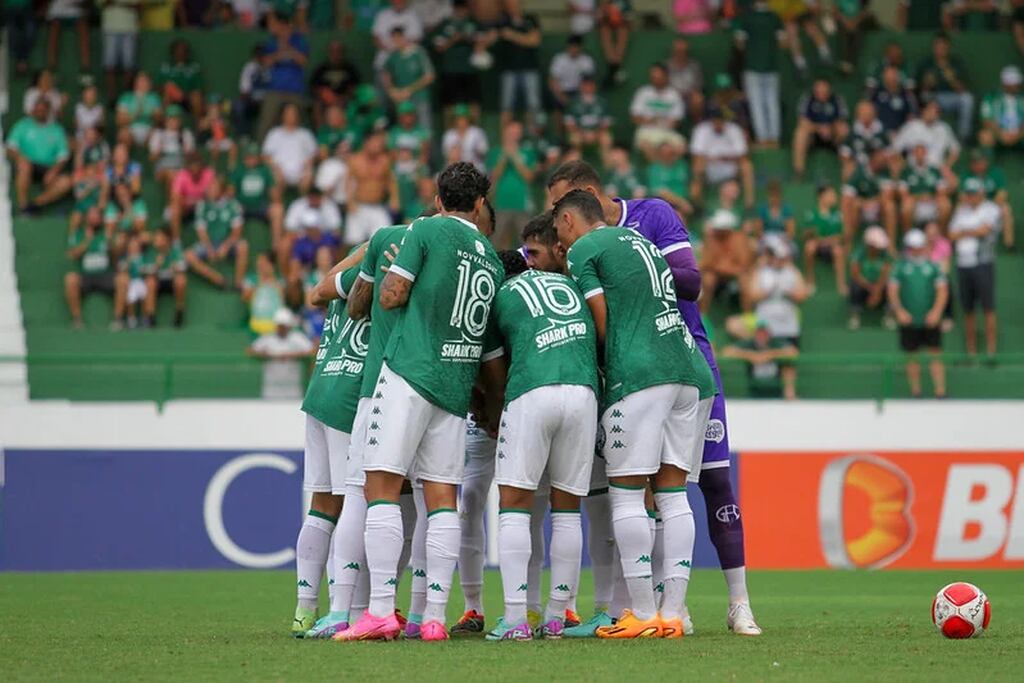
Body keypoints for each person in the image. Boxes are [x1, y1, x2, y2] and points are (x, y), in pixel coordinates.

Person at [546, 162, 762, 637]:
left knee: (660, 489)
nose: (553, 221)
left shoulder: (642, 221)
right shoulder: (635, 241)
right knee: (669, 492)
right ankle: (674, 611)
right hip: (687, 368)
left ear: (578, 202)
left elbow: (691, 280)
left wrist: (624, 273)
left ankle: (667, 611)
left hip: (646, 365)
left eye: (558, 208)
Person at [337, 162, 501, 642]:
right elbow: (490, 353)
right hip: (455, 387)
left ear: (437, 199)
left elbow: (390, 295)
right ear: (477, 205)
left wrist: (396, 286)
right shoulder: (489, 255)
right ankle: (433, 617)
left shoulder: (425, 231)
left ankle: (382, 609)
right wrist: (491, 407)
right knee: (442, 498)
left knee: (381, 485)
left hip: (409, 371)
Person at [479, 243, 599, 641]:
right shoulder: (567, 284)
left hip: (533, 389)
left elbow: (495, 370)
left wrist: (494, 414)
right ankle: (556, 616)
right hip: (583, 393)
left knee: (514, 503)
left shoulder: (500, 295)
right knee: (567, 507)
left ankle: (515, 618)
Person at [291, 249, 371, 638]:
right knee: (352, 502)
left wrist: (366, 247)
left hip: (320, 390)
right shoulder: (386, 276)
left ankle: (305, 609)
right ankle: (345, 610)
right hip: (349, 398)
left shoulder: (343, 280)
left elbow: (316, 291)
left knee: (322, 506)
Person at [888, 229, 948, 398]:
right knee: (912, 356)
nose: (916, 250)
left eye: (919, 246)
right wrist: (899, 311)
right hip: (909, 320)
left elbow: (942, 291)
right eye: (913, 247)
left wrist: (936, 312)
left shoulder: (934, 267)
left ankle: (940, 391)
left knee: (936, 354)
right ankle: (915, 392)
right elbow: (892, 291)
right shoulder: (900, 267)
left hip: (930, 320)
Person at [949, 178, 1000, 359]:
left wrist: (964, 231)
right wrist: (970, 230)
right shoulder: (961, 211)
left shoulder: (991, 209)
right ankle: (971, 352)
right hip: (963, 264)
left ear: (981, 193)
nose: (969, 197)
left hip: (983, 263)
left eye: (973, 193)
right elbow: (952, 235)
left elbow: (984, 231)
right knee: (968, 310)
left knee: (988, 308)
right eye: (967, 193)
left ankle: (991, 351)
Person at [64, 207, 127, 330]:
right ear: (87, 218)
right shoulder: (78, 234)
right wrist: (87, 240)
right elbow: (73, 254)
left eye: (97, 215)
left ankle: (118, 320)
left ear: (101, 219)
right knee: (70, 279)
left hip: (105, 275)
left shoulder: (107, 234)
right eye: (91, 215)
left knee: (123, 279)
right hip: (86, 275)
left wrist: (111, 244)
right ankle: (77, 320)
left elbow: (116, 255)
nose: (94, 218)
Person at [6, 99, 72, 214]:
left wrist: (54, 170)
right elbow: (10, 147)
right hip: (27, 164)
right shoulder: (23, 125)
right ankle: (23, 204)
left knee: (66, 182)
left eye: (43, 110)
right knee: (24, 165)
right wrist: (20, 158)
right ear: (33, 110)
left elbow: (63, 155)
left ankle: (35, 204)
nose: (40, 112)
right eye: (38, 110)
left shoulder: (57, 129)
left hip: (48, 167)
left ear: (48, 112)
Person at [184, 176, 249, 289]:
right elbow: (201, 231)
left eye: (213, 188)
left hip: (228, 242)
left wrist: (225, 246)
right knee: (188, 256)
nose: (209, 191)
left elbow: (236, 232)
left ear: (222, 190)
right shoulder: (202, 205)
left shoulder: (233, 205)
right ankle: (219, 280)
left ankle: (239, 283)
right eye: (209, 188)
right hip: (209, 243)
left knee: (243, 246)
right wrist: (209, 248)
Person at [734, 0, 785, 147]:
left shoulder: (747, 18)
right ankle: (774, 138)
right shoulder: (775, 17)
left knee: (757, 103)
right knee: (772, 102)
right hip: (771, 65)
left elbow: (740, 43)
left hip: (753, 66)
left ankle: (763, 138)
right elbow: (782, 42)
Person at [257, 11, 311, 141]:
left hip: (295, 89)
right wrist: (280, 53)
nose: (270, 27)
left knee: (302, 122)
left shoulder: (298, 39)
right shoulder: (271, 42)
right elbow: (265, 63)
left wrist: (289, 50)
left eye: (273, 23)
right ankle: (261, 152)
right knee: (266, 123)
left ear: (282, 24)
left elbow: (303, 61)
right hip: (275, 89)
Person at [690, 106, 755, 209]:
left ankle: (749, 204)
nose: (718, 124)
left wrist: (723, 158)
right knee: (698, 165)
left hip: (731, 169)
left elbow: (742, 156)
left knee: (747, 166)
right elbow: (697, 156)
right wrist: (716, 159)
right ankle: (698, 204)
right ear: (711, 121)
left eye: (721, 121)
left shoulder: (734, 129)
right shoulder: (701, 130)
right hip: (709, 169)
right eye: (716, 121)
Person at [489, 121, 538, 249]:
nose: (514, 136)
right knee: (496, 242)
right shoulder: (496, 152)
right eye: (511, 133)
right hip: (501, 203)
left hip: (522, 204)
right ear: (504, 133)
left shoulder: (528, 152)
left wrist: (515, 157)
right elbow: (493, 176)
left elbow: (528, 177)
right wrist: (504, 156)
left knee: (526, 243)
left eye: (517, 133)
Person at [721, 320, 799, 399]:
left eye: (764, 333)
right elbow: (727, 351)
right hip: (754, 390)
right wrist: (751, 356)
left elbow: (793, 351)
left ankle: (790, 396)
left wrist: (769, 355)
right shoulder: (750, 343)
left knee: (788, 369)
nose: (761, 336)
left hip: (775, 390)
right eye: (759, 333)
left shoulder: (775, 343)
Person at [916, 33, 974, 140]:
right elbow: (919, 91)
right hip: (933, 97)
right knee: (924, 95)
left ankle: (963, 137)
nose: (941, 50)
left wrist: (951, 79)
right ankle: (922, 136)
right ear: (934, 47)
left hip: (952, 98)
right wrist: (927, 84)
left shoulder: (956, 62)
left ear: (948, 47)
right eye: (938, 46)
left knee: (967, 99)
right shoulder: (927, 63)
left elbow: (963, 90)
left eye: (943, 47)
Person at [248, 308, 315, 400]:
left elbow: (312, 350)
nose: (281, 328)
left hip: (293, 388)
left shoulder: (297, 338)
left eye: (284, 326)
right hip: (271, 388)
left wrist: (291, 355)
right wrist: (268, 355)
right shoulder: (268, 338)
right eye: (280, 326)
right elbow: (251, 350)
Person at [433, 0, 483, 119]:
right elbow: (439, 48)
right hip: (451, 70)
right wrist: (454, 39)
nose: (461, 11)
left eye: (463, 8)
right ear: (454, 9)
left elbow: (482, 41)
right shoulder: (446, 24)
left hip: (470, 70)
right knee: (449, 104)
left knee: (473, 103)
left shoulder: (473, 23)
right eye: (458, 8)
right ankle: (450, 135)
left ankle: (475, 133)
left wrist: (469, 39)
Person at [231, 142, 285, 250]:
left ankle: (276, 246)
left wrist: (277, 176)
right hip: (242, 206)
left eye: (255, 157)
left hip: (260, 206)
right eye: (250, 157)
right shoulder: (238, 170)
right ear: (245, 157)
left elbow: (274, 195)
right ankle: (232, 244)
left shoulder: (265, 170)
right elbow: (230, 192)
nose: (252, 160)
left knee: (278, 209)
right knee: (232, 208)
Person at [497, 0, 542, 128]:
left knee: (533, 105)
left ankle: (533, 137)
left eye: (515, 2)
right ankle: (506, 140)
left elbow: (535, 41)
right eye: (509, 3)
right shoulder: (503, 21)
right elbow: (495, 36)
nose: (513, 5)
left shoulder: (531, 19)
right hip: (508, 70)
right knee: (506, 106)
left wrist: (512, 35)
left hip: (530, 69)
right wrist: (524, 38)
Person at [792, 79, 849, 179]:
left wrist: (830, 129)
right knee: (800, 133)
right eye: (818, 91)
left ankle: (847, 172)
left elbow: (841, 120)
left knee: (844, 129)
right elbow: (802, 121)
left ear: (829, 90)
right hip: (813, 137)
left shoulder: (837, 99)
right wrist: (819, 128)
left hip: (832, 136)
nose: (821, 94)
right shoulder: (808, 99)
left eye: (824, 91)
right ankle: (799, 172)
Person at [381, 27, 435, 131]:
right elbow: (385, 74)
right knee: (404, 131)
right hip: (402, 101)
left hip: (419, 98)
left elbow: (430, 76)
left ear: (405, 37)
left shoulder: (418, 52)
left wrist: (409, 90)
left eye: (399, 38)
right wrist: (391, 90)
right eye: (394, 39)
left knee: (424, 130)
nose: (396, 41)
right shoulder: (393, 56)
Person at [345, 131, 395, 245]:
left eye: (380, 144)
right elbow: (348, 183)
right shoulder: (355, 160)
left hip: (378, 206)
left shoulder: (385, 160)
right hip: (359, 206)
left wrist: (394, 199)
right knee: (353, 242)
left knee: (385, 239)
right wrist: (350, 202)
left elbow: (391, 181)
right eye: (375, 143)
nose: (378, 146)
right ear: (366, 143)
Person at [841, 148, 897, 246]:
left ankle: (890, 244)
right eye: (879, 155)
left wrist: (873, 201)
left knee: (890, 206)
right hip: (862, 208)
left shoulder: (885, 171)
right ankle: (851, 242)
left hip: (878, 207)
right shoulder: (859, 172)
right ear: (873, 157)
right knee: (853, 205)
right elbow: (847, 196)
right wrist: (863, 202)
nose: (883, 158)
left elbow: (888, 194)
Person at [629, 63, 686, 159]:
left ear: (666, 77)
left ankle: (667, 171)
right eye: (653, 77)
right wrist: (651, 121)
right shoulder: (643, 92)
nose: (655, 79)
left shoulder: (674, 94)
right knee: (646, 145)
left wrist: (666, 122)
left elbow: (677, 121)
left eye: (658, 76)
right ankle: (659, 170)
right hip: (647, 131)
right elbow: (634, 117)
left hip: (667, 131)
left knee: (681, 147)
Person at [963, 148, 1014, 250]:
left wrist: (988, 203)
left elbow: (1002, 193)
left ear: (985, 161)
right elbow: (962, 195)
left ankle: (1009, 244)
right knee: (959, 207)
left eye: (979, 161)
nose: (976, 164)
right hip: (971, 205)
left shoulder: (995, 172)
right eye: (974, 161)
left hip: (991, 204)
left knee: (1006, 208)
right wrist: (975, 202)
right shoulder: (966, 174)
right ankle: (956, 241)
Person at [263, 103, 317, 194]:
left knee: (308, 175)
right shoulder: (274, 133)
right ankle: (277, 205)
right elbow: (266, 156)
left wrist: (308, 164)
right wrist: (276, 168)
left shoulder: (305, 134)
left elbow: (314, 154)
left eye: (294, 114)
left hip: (301, 170)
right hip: (279, 170)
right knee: (274, 177)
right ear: (283, 116)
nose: (291, 116)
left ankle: (302, 205)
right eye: (288, 114)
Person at [140, 227, 187, 329]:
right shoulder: (150, 252)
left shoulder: (175, 251)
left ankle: (179, 312)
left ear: (167, 240)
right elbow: (143, 270)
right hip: (157, 282)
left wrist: (175, 267)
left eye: (159, 237)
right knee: (150, 281)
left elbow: (183, 266)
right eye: (155, 237)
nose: (156, 240)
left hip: (171, 281)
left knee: (181, 279)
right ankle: (150, 317)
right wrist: (156, 266)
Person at [893, 99, 960, 171]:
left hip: (936, 170)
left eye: (937, 111)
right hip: (914, 170)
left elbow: (955, 150)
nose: (934, 113)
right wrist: (904, 167)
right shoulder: (911, 126)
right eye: (931, 109)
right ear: (923, 110)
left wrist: (946, 167)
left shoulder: (944, 128)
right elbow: (896, 148)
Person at [898, 143, 953, 232]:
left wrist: (930, 197)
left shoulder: (934, 171)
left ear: (925, 154)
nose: (920, 155)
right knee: (906, 205)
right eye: (917, 153)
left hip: (932, 203)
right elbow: (903, 194)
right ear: (914, 154)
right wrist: (919, 197)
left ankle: (941, 235)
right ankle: (907, 235)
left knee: (945, 203)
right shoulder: (906, 172)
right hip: (914, 205)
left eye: (922, 152)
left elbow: (941, 191)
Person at [848, 225, 892, 330]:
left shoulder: (885, 254)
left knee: (891, 286)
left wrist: (877, 290)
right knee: (854, 286)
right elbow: (855, 274)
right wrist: (870, 288)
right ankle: (855, 316)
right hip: (864, 285)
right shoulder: (859, 253)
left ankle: (889, 316)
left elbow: (886, 274)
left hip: (879, 285)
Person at [309, 40, 361, 127]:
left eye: (338, 51)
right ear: (329, 52)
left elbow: (355, 88)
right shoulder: (321, 69)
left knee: (354, 105)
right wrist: (327, 96)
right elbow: (314, 88)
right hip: (326, 101)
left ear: (342, 52)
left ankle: (349, 132)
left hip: (345, 100)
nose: (335, 53)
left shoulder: (350, 69)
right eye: (333, 51)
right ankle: (323, 134)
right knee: (317, 106)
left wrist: (342, 98)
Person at [548, 35, 596, 129]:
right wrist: (562, 97)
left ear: (581, 47)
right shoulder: (559, 59)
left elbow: (588, 83)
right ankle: (560, 138)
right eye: (571, 46)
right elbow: (552, 81)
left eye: (576, 47)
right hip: (562, 91)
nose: (573, 49)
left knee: (585, 106)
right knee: (557, 108)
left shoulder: (587, 61)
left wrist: (579, 99)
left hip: (579, 92)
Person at [149, 105, 196, 197]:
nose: (174, 121)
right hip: (162, 169)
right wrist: (159, 150)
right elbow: (152, 158)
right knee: (172, 175)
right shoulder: (158, 134)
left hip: (181, 167)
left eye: (177, 118)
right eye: (172, 118)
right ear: (166, 119)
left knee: (179, 175)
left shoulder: (186, 134)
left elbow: (191, 158)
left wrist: (186, 150)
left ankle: (174, 205)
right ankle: (172, 205)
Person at [168, 152, 215, 240]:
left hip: (205, 206)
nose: (195, 168)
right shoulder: (181, 175)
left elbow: (213, 194)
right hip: (187, 208)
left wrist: (201, 202)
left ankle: (213, 237)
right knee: (175, 209)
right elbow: (175, 196)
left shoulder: (209, 173)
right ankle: (176, 240)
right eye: (192, 165)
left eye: (197, 165)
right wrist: (187, 202)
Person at [979, 65, 1024, 151]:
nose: (1018, 85)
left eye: (1018, 83)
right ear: (1005, 84)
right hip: (999, 134)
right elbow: (986, 120)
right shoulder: (991, 98)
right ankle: (989, 163)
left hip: (1020, 134)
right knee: (985, 136)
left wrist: (1018, 135)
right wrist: (1000, 134)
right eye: (1014, 84)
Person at [840, 100, 889, 179]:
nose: (866, 115)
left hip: (877, 166)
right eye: (863, 112)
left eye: (868, 112)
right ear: (857, 114)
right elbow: (844, 152)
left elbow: (889, 152)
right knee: (847, 169)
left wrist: (878, 159)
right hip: (857, 165)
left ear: (874, 114)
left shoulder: (882, 131)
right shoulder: (852, 131)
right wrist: (849, 163)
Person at [868, 65, 919, 138]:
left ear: (898, 77)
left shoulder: (906, 95)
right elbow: (869, 110)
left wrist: (902, 131)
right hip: (879, 133)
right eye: (888, 75)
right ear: (884, 77)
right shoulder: (877, 93)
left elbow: (912, 115)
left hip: (901, 134)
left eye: (894, 75)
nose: (891, 78)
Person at [645, 142, 692, 219]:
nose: (668, 156)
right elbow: (661, 191)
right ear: (659, 155)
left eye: (671, 153)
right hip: (667, 204)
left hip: (686, 199)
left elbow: (691, 181)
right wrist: (682, 203)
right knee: (678, 216)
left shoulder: (682, 165)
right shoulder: (654, 169)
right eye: (665, 153)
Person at [157, 39, 204, 116]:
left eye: (183, 51)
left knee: (197, 98)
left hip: (187, 100)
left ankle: (198, 126)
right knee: (168, 91)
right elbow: (159, 87)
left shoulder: (194, 68)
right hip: (171, 98)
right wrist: (174, 92)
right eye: (178, 50)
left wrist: (183, 96)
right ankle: (163, 125)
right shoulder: (166, 67)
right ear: (173, 52)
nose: (181, 53)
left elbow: (198, 89)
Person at [832, 0, 879, 76]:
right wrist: (845, 21)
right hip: (843, 21)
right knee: (844, 32)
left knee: (858, 32)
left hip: (858, 21)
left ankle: (852, 63)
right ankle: (845, 63)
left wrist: (855, 22)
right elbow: (835, 11)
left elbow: (865, 11)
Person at [116, 72, 162, 147]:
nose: (143, 83)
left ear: (150, 84)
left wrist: (152, 115)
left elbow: (159, 120)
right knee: (123, 134)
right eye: (140, 81)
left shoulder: (155, 98)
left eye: (145, 81)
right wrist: (135, 114)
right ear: (135, 83)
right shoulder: (126, 97)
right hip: (131, 128)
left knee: (157, 135)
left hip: (149, 128)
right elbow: (119, 120)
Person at [45, 0, 91, 73]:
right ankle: (52, 65)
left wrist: (80, 4)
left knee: (83, 29)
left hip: (77, 14)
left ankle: (86, 66)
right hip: (57, 13)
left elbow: (85, 4)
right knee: (53, 32)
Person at [442, 104, 489, 171]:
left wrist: (475, 150)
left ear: (468, 118)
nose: (461, 121)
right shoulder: (449, 135)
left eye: (463, 117)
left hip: (475, 170)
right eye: (458, 118)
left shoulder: (477, 132)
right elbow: (447, 156)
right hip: (456, 171)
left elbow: (484, 152)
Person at [665, 37, 704, 118]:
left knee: (698, 99)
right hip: (670, 96)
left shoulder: (694, 66)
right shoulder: (666, 65)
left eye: (683, 51)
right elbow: (663, 85)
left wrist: (689, 94)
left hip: (689, 97)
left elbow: (698, 87)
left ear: (687, 51)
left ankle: (697, 126)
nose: (680, 53)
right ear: (674, 51)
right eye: (678, 51)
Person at [597, 0, 631, 85]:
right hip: (606, 24)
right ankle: (615, 69)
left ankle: (612, 70)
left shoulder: (624, 2)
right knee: (604, 31)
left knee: (623, 31)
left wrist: (620, 19)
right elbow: (599, 17)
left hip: (621, 24)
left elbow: (629, 16)